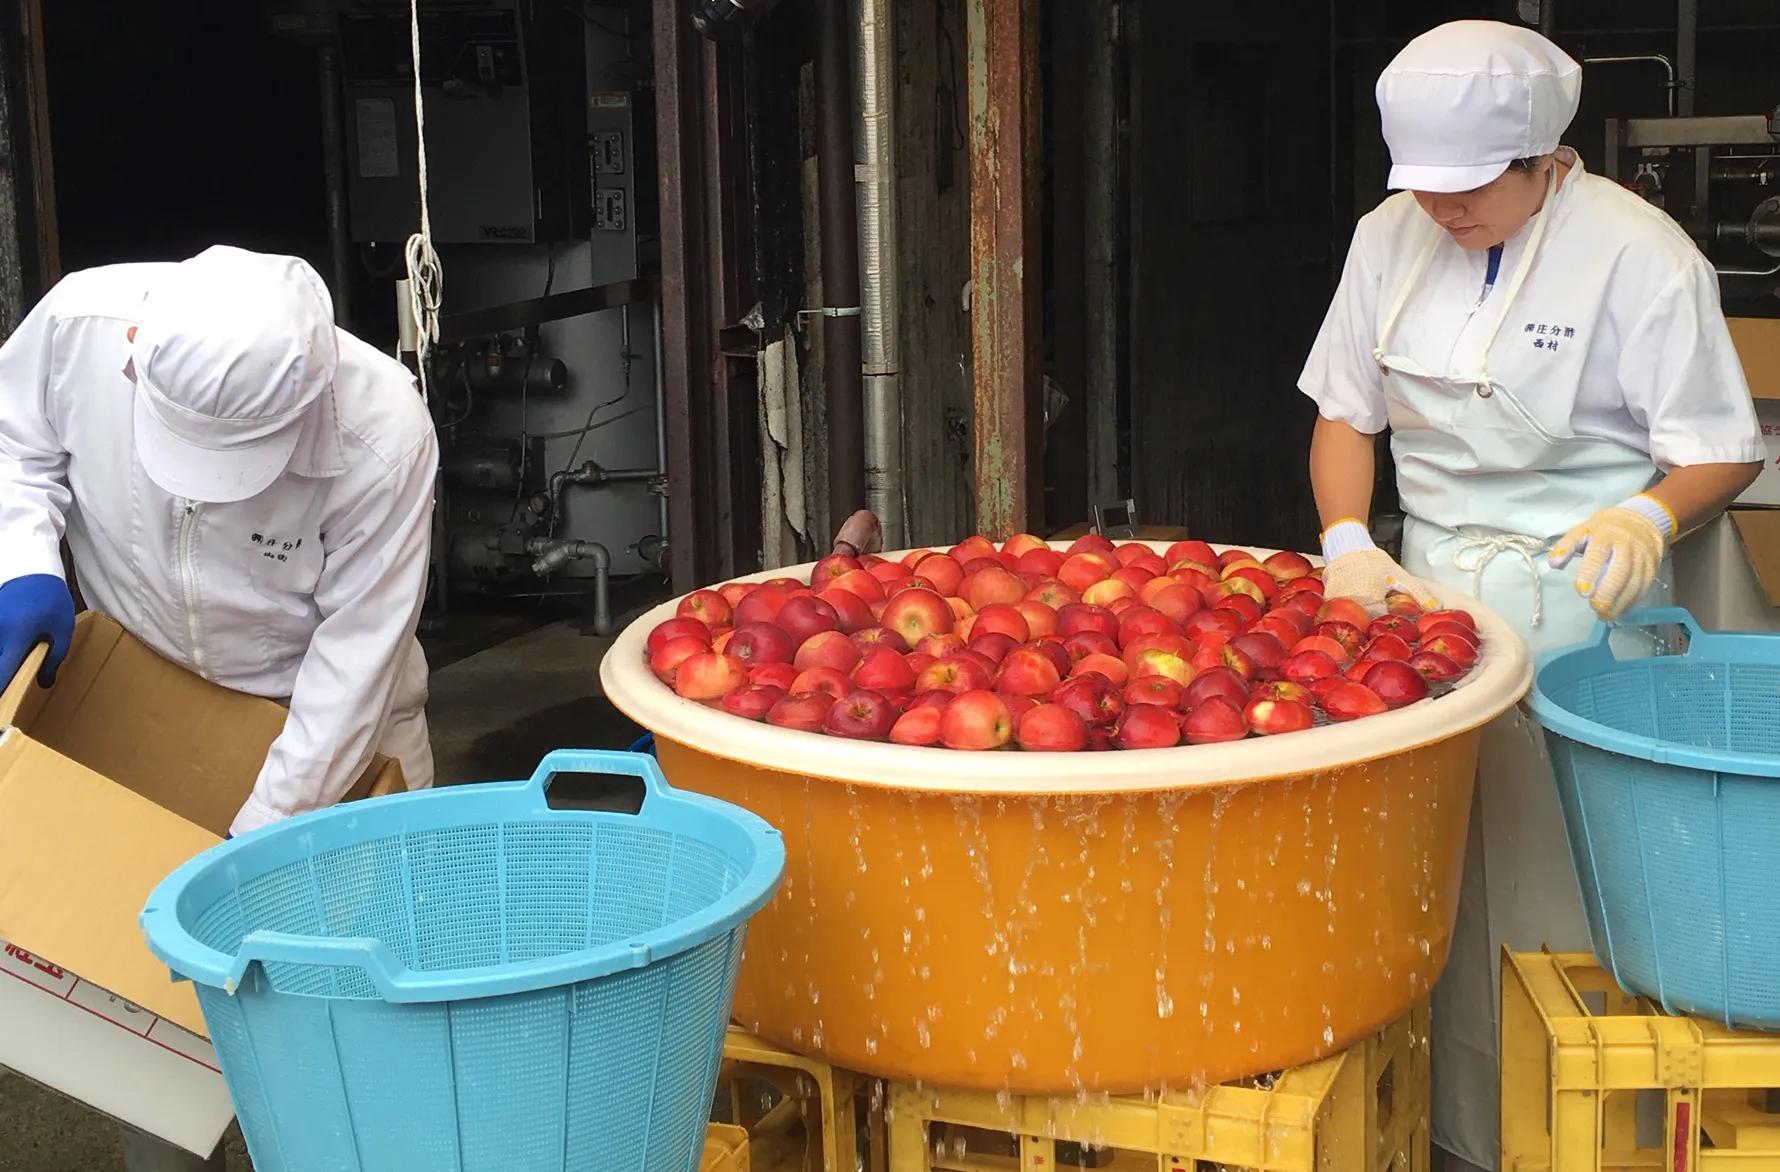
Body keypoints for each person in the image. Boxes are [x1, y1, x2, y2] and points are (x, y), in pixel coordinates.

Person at [1299, 22, 1764, 1171]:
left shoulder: (1637, 252)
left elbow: (1720, 445)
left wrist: (1648, 513)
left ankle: (1601, 1140)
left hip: (1601, 583)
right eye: (1424, 187)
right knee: (1448, 866)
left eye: (1467, 189)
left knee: (1583, 867)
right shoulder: (1385, 238)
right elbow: (1344, 411)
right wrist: (1352, 539)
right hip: (1433, 590)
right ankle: (1464, 1130)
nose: (1442, 212)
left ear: (1537, 158)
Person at [0, 245, 439, 841]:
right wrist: (22, 561)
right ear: (134, 351)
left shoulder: (385, 434)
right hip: (139, 698)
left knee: (379, 914)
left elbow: (358, 654)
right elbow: (13, 446)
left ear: (312, 399)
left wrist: (262, 830)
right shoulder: (76, 328)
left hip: (330, 727)